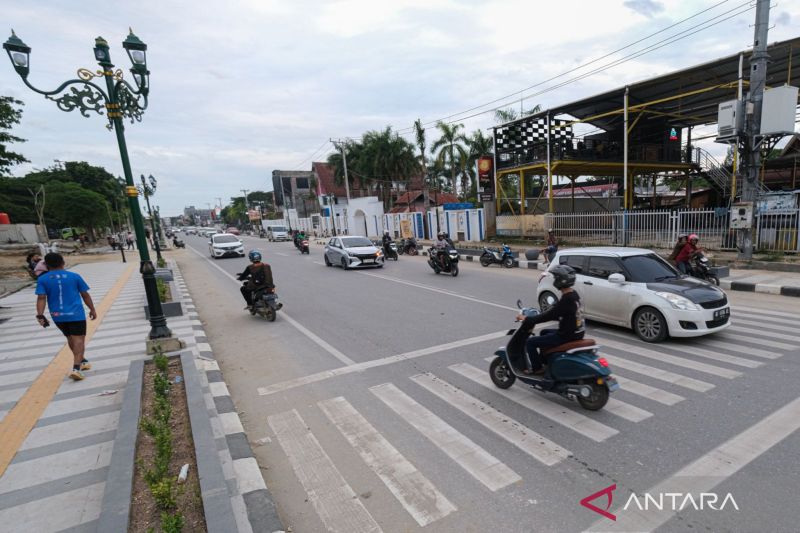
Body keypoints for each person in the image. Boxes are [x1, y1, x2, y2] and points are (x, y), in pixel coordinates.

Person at [35, 253, 97, 381]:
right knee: (79, 339)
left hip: (58, 316)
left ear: (46, 265)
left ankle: (83, 360)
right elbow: (85, 295)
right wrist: (92, 309)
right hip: (76, 314)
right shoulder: (74, 276)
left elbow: (41, 298)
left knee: (70, 338)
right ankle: (76, 369)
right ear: (63, 262)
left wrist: (40, 315)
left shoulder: (42, 279)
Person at [516, 265, 584, 375]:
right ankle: (546, 361)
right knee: (544, 332)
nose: (554, 280)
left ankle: (537, 368)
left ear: (561, 280)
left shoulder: (566, 300)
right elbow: (562, 312)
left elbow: (547, 316)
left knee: (530, 342)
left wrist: (527, 318)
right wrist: (553, 312)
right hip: (576, 332)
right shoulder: (573, 294)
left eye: (556, 278)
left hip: (566, 336)